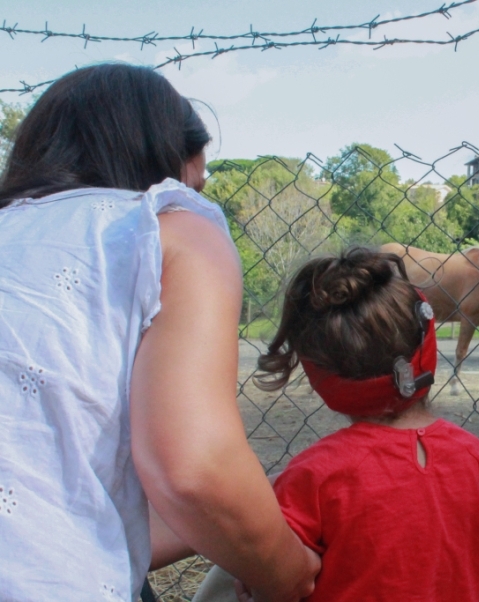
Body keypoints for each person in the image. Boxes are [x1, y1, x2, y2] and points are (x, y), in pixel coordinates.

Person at [0, 63, 319, 602]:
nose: (198, 194)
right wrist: (287, 572)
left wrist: (249, 519)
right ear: (170, 162)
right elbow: (194, 470)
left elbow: (56, 498)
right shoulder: (164, 226)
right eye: (197, 182)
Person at [192, 246, 479, 602]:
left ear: (318, 374)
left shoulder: (314, 476)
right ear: (427, 345)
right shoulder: (470, 454)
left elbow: (274, 581)